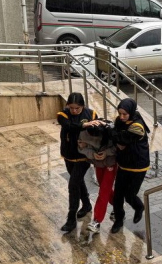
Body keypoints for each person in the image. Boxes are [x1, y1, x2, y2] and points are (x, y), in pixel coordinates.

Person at [57, 92, 100, 232]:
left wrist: (91, 133)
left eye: (77, 108)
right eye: (72, 108)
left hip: (84, 156)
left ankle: (71, 218)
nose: (74, 111)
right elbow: (69, 126)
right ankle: (87, 204)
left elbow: (98, 133)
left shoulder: (92, 114)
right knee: (78, 181)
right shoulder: (62, 115)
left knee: (73, 183)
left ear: (83, 106)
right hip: (69, 154)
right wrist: (85, 125)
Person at [110, 98, 150, 234]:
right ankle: (118, 220)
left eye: (124, 114)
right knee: (118, 195)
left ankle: (139, 207)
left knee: (130, 195)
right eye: (120, 113)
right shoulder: (119, 121)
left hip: (138, 166)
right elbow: (116, 137)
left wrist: (118, 138)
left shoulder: (137, 126)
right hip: (123, 164)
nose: (121, 117)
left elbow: (121, 138)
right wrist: (118, 138)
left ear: (131, 112)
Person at [78, 119, 117, 234]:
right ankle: (117, 205)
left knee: (104, 190)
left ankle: (97, 221)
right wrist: (92, 154)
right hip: (97, 163)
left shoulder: (110, 132)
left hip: (110, 163)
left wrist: (106, 153)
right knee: (105, 187)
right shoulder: (83, 133)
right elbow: (80, 147)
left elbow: (117, 146)